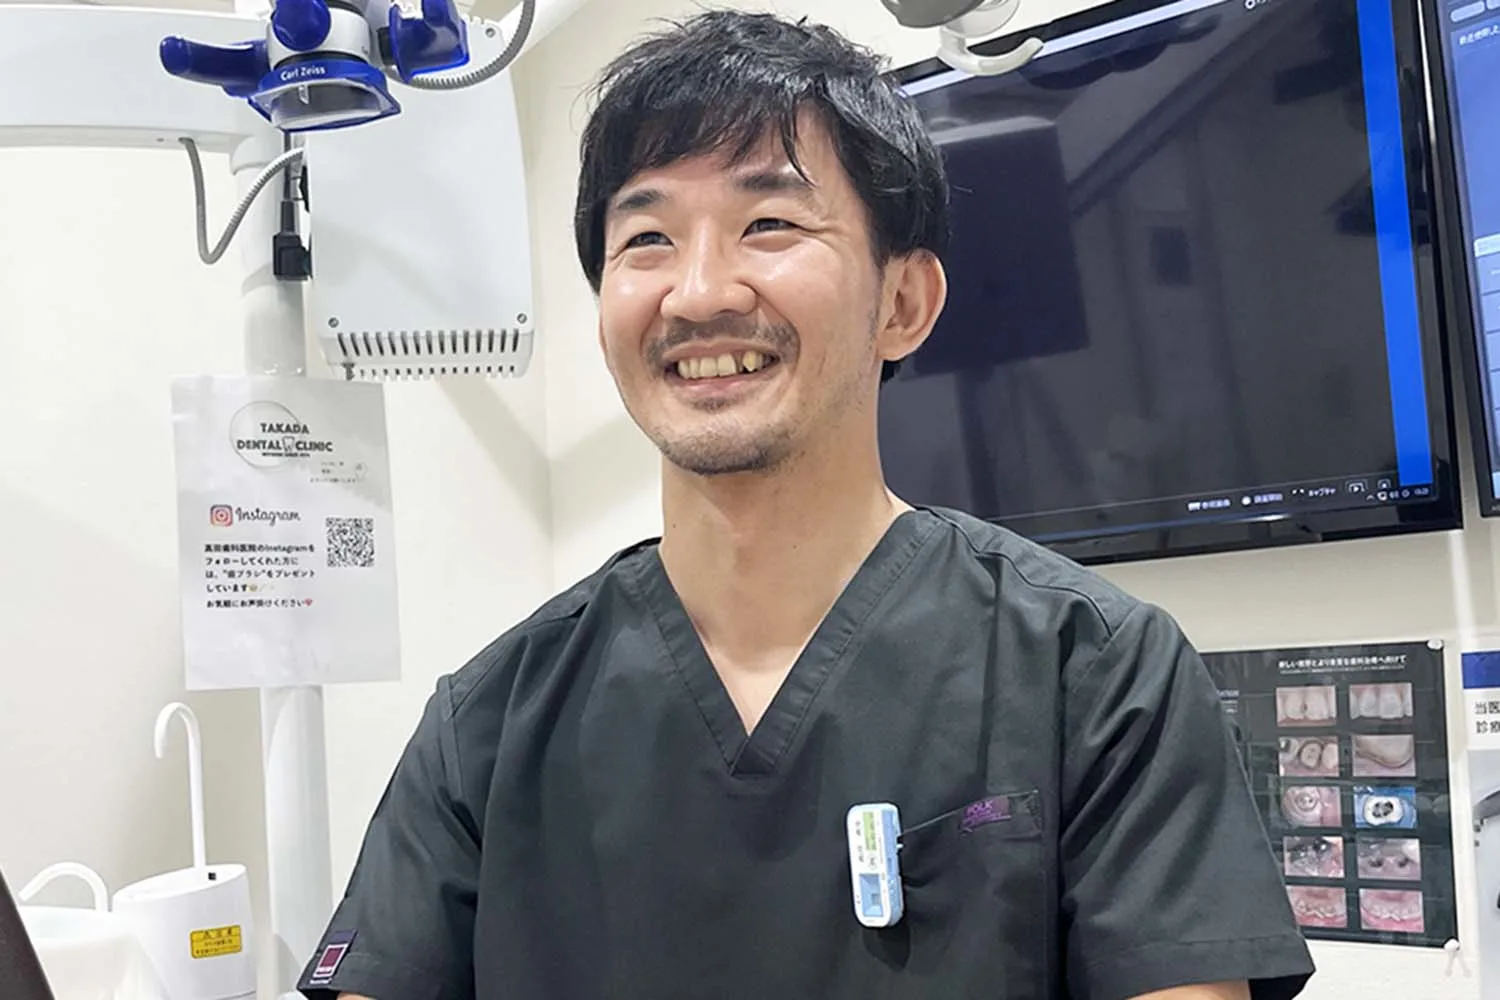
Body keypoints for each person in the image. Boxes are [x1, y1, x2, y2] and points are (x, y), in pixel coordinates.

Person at [298, 10, 1316, 1000]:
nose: (699, 292)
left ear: (903, 303)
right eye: (646, 238)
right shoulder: (488, 725)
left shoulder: (1094, 673)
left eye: (770, 224)